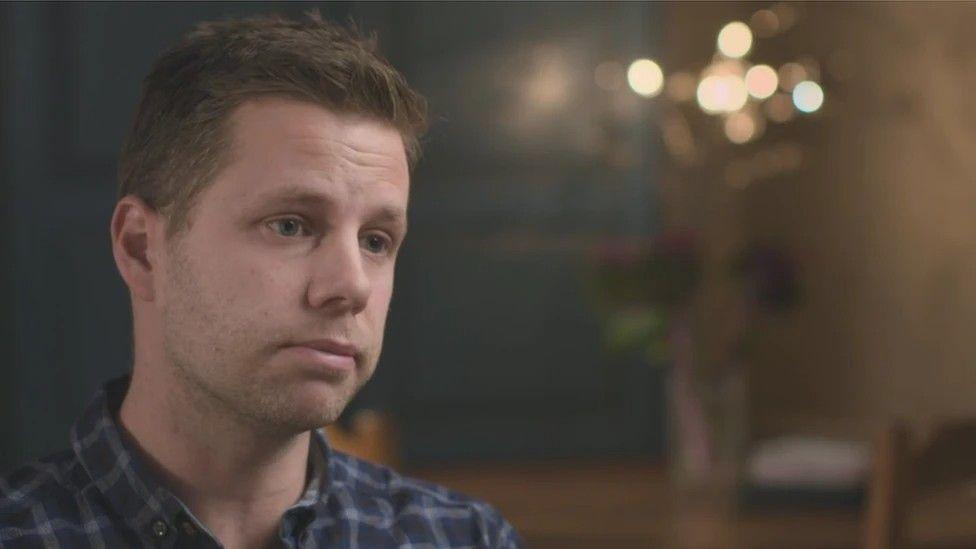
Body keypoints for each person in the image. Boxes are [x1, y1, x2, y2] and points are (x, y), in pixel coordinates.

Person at [0, 12, 523, 548]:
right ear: (142, 249)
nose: (353, 286)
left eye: (375, 240)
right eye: (291, 225)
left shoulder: (464, 538)